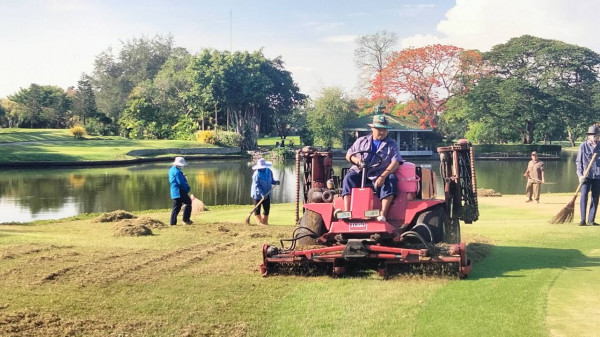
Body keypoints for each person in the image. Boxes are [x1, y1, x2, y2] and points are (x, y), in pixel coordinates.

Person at [342, 114, 402, 222]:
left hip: (380, 173)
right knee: (349, 177)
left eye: (384, 129)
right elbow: (349, 155)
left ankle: (382, 214)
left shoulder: (392, 144)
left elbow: (395, 162)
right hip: (360, 171)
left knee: (391, 179)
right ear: (372, 128)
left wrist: (383, 176)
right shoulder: (361, 141)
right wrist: (357, 161)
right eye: (379, 129)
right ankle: (347, 212)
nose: (382, 132)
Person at [576, 125, 600, 226]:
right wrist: (580, 175)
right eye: (592, 135)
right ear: (588, 136)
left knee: (595, 197)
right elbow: (579, 162)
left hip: (598, 176)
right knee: (584, 196)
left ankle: (591, 220)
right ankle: (582, 219)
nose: (594, 137)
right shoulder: (583, 146)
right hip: (586, 176)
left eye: (596, 135)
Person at [251, 158, 280, 225]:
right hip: (257, 194)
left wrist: (276, 182)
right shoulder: (256, 174)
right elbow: (256, 186)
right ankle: (259, 222)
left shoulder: (269, 171)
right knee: (257, 208)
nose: (262, 168)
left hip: (267, 193)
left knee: (267, 208)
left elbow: (271, 181)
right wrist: (262, 194)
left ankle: (265, 222)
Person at [169, 156, 193, 226]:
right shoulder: (177, 172)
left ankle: (172, 223)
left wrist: (183, 177)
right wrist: (187, 188)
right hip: (179, 190)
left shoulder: (171, 170)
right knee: (188, 202)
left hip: (174, 191)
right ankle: (186, 220)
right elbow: (181, 183)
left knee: (177, 206)